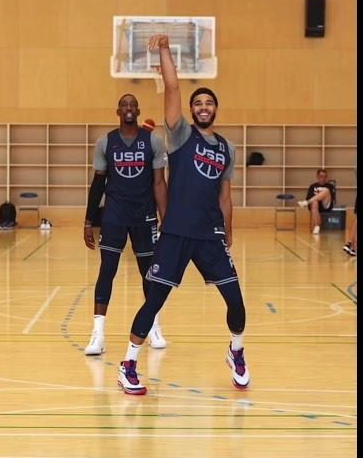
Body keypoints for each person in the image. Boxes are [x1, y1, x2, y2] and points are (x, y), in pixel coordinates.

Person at [117, 35, 249, 395]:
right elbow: (172, 87)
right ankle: (128, 364)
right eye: (198, 103)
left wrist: (229, 232)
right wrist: (164, 51)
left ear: (216, 110)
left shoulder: (227, 148)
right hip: (175, 233)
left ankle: (236, 352)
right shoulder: (179, 136)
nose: (204, 106)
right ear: (192, 111)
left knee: (236, 303)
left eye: (209, 102)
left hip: (211, 237)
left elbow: (226, 195)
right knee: (154, 300)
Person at [83, 94, 169, 355]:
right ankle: (98, 334)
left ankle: (153, 325)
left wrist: (167, 219)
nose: (129, 108)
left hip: (144, 215)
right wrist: (88, 221)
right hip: (114, 215)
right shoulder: (105, 142)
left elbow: (159, 183)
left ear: (138, 110)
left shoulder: (153, 141)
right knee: (107, 269)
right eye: (124, 104)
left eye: (133, 104)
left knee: (149, 272)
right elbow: (98, 184)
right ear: (117, 111)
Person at [298, 169, 335, 234]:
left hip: (326, 205)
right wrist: (316, 199)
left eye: (325, 176)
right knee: (314, 202)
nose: (323, 178)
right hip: (315, 206)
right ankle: (317, 227)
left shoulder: (330, 186)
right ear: (317, 177)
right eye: (321, 176)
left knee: (326, 191)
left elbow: (331, 197)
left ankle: (305, 203)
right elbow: (308, 197)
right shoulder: (312, 186)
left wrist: (321, 196)